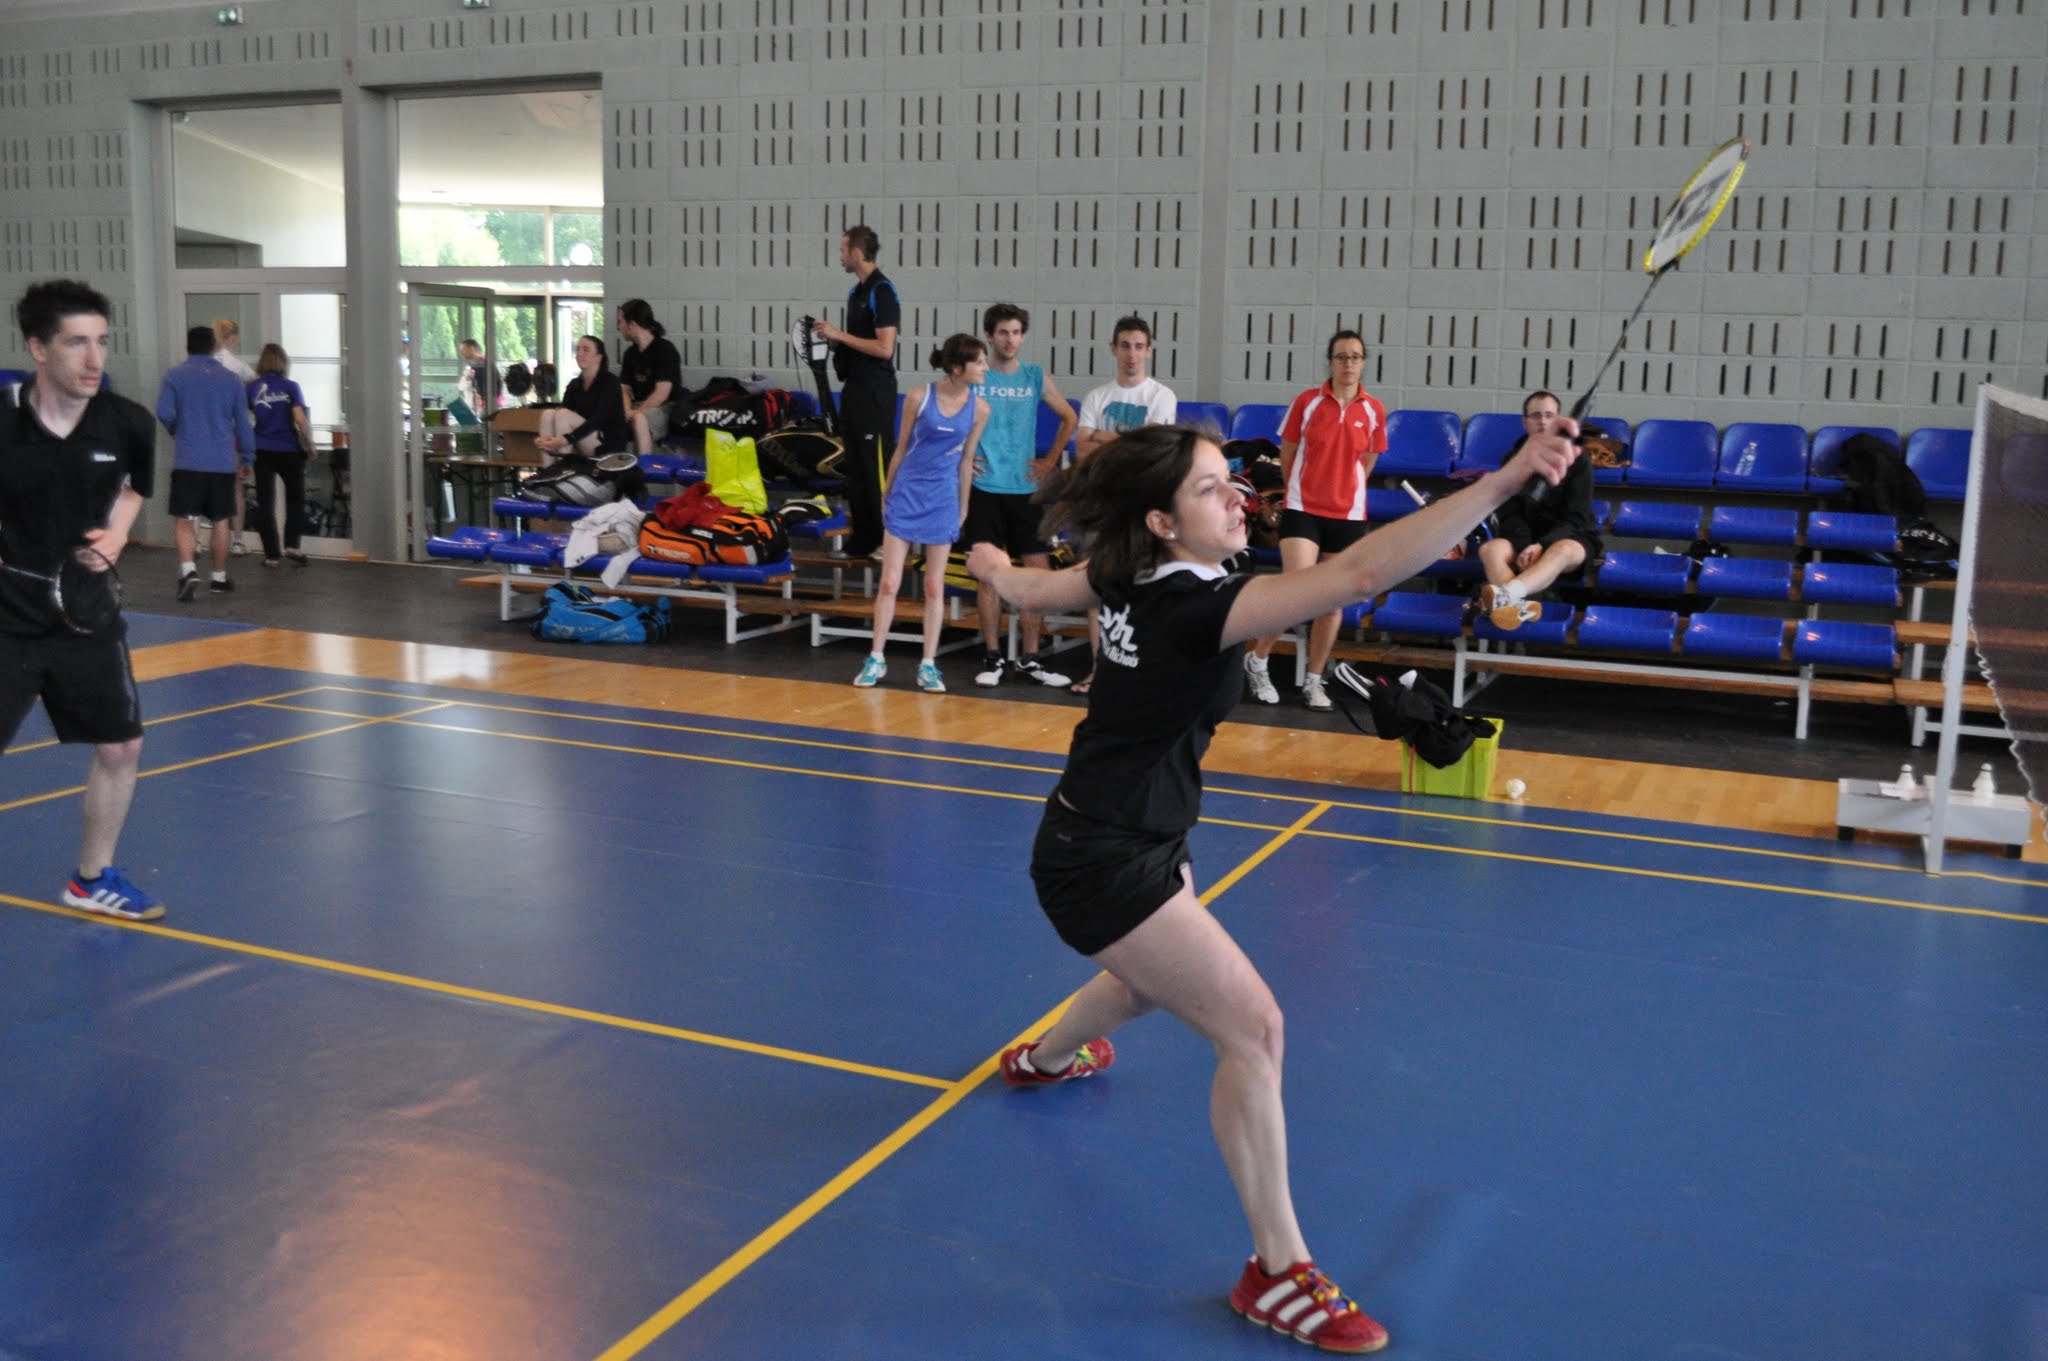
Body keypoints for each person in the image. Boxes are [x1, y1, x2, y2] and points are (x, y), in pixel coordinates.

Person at [964, 419, 1577, 1355]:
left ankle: (1042, 1060)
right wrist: (1502, 483)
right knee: (1255, 1030)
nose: (1235, 497)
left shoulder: (1129, 570)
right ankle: (1277, 1272)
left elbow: (1036, 587)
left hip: (1124, 831)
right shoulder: (1193, 605)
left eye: (1229, 480)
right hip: (1103, 856)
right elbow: (1357, 574)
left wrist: (995, 569)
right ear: (1163, 521)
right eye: (1210, 488)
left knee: (1143, 980)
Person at [0, 279, 164, 920]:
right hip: (5, 619)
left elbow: (133, 488)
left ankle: (91, 880)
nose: (94, 359)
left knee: (122, 746)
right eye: (76, 343)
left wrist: (118, 534)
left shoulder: (128, 422)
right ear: (39, 349)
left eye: (101, 341)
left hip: (85, 614)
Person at [1242, 330, 1389, 710]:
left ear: (1363, 362)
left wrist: (1344, 490)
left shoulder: (1374, 410)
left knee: (1332, 602)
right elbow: (1288, 454)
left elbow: (1367, 462)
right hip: (1303, 508)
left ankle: (1314, 680)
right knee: (1297, 594)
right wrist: (1301, 491)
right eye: (1341, 357)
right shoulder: (1307, 402)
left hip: (1348, 514)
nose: (1348, 363)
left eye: (1355, 357)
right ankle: (1258, 659)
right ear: (1330, 361)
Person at [852, 334, 989, 694]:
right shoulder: (919, 396)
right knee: (889, 582)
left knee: (933, 586)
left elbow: (966, 460)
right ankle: (875, 657)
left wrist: (963, 506)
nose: (985, 368)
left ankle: (928, 663)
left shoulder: (980, 409)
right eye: (979, 362)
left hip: (942, 499)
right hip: (908, 492)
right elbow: (900, 448)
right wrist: (887, 492)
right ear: (957, 367)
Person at [966, 302, 1077, 689]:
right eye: (1003, 332)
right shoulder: (977, 375)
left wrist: (1050, 461)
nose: (1010, 339)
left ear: (1023, 336)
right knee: (989, 576)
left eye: (1015, 333)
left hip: (1025, 490)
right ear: (990, 335)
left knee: (1036, 575)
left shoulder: (1034, 377)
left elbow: (1069, 417)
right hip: (985, 488)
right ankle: (993, 657)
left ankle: (1030, 658)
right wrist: (963, 458)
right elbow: (947, 414)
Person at [1070, 314, 1177, 693]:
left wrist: (1103, 437)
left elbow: (1152, 452)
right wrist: (1130, 438)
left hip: (1144, 508)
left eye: (1139, 347)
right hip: (1102, 505)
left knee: (1144, 587)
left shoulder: (1161, 396)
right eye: (1125, 346)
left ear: (1149, 351)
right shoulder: (1096, 397)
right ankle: (1099, 668)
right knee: (1097, 586)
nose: (1132, 354)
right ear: (1113, 349)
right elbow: (1082, 450)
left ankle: (1141, 671)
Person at [1475, 389, 1604, 630]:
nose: (1543, 421)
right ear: (1525, 423)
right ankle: (1521, 609)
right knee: (1490, 550)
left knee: (1562, 550)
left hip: (1570, 537)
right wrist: (1526, 545)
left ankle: (1506, 596)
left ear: (1559, 421)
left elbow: (1576, 517)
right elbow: (1508, 512)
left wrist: (1542, 545)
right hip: (1522, 538)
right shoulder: (1512, 459)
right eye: (1535, 416)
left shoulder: (1579, 460)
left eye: (1549, 415)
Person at [813, 225, 900, 558]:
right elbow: (858, 344)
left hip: (876, 392)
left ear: (857, 253)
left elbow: (885, 348)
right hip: (855, 389)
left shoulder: (883, 291)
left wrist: (841, 335)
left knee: (875, 468)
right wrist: (834, 341)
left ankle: (886, 541)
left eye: (842, 250)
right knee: (857, 468)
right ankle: (863, 539)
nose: (840, 256)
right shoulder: (856, 293)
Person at [157, 324, 254, 600]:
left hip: (188, 460)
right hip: (222, 461)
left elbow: (163, 411)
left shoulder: (175, 375)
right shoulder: (231, 379)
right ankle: (219, 578)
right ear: (213, 347)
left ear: (188, 347)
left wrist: (177, 429)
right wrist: (247, 456)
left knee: (185, 518)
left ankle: (189, 570)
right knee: (221, 520)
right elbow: (243, 424)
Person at [245, 343, 315, 567]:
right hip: (289, 450)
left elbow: (242, 417)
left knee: (265, 501)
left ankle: (271, 555)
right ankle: (292, 545)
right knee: (295, 498)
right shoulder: (290, 387)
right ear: (283, 362)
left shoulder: (251, 387)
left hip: (262, 448)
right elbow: (300, 419)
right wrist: (310, 444)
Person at [534, 335, 630, 462]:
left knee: (563, 415)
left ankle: (563, 467)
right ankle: (551, 470)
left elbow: (599, 419)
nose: (579, 354)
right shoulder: (575, 384)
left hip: (606, 443)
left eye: (586, 350)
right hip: (583, 438)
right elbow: (561, 411)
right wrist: (542, 439)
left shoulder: (610, 382)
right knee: (548, 414)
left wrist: (567, 439)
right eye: (578, 349)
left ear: (598, 357)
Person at [212, 317, 256, 555]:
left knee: (205, 486)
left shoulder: (203, 364)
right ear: (234, 338)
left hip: (206, 435)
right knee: (236, 488)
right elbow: (256, 390)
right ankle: (237, 540)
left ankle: (198, 539)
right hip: (231, 434)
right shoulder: (238, 366)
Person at [617, 300, 681, 455]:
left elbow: (661, 394)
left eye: (621, 322)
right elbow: (624, 389)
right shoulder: (630, 354)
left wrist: (635, 413)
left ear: (632, 324)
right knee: (608, 416)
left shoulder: (665, 350)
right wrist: (626, 410)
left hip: (664, 408)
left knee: (639, 419)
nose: (619, 327)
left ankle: (644, 465)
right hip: (638, 406)